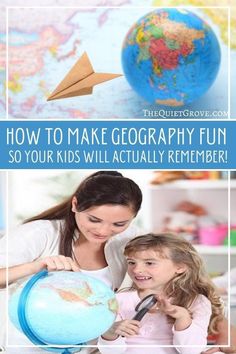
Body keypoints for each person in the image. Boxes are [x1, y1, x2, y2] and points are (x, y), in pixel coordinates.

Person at [0, 170, 143, 352]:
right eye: (94, 219)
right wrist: (36, 266)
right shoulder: (39, 233)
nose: (104, 231)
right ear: (75, 204)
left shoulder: (129, 239)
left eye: (119, 224)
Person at [98, 233, 224, 354]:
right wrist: (110, 332)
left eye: (149, 263)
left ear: (180, 267)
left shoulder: (196, 302)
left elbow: (191, 351)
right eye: (132, 262)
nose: (137, 270)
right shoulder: (118, 300)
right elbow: (110, 351)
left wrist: (182, 317)